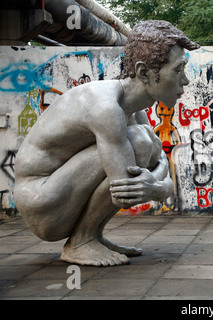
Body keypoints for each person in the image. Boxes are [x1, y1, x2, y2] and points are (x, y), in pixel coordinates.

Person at [14, 20, 200, 266]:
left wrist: (154, 185)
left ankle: (93, 236)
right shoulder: (106, 107)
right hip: (42, 201)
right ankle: (81, 241)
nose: (185, 81)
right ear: (144, 72)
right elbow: (126, 189)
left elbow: (159, 159)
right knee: (140, 141)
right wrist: (157, 187)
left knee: (144, 142)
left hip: (59, 195)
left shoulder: (133, 107)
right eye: (178, 70)